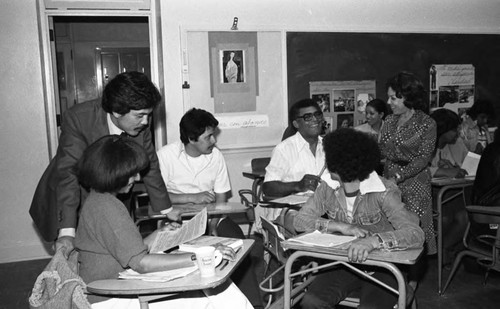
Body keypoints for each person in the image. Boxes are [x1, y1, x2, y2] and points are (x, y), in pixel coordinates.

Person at [75, 135, 252, 309]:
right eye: (131, 173)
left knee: (215, 289)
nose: (137, 178)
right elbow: (142, 263)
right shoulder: (107, 207)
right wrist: (200, 256)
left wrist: (158, 234)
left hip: (114, 288)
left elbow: (126, 251)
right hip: (112, 297)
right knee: (213, 293)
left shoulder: (98, 200)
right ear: (113, 172)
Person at [30, 71, 179, 255]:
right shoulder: (79, 118)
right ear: (116, 111)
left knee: (115, 258)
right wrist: (67, 232)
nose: (146, 122)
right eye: (140, 115)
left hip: (112, 196)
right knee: (74, 262)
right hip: (70, 196)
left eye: (148, 115)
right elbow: (68, 174)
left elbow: (151, 167)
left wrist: (167, 208)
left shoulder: (139, 125)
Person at [294, 129, 425, 309]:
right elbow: (300, 221)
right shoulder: (328, 187)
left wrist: (373, 241)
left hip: (383, 267)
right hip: (344, 264)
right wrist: (339, 226)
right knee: (311, 302)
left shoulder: (383, 191)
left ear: (336, 165)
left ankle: (401, 290)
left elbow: (415, 234)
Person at [156, 108, 263, 308]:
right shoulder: (165, 155)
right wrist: (192, 197)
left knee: (237, 243)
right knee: (177, 255)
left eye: (213, 134)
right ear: (191, 138)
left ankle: (253, 304)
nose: (214, 141)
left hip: (212, 218)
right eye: (208, 136)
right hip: (176, 223)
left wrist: (213, 225)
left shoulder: (216, 156)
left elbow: (221, 198)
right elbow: (157, 196)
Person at [379, 71, 437, 255]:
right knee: (390, 227)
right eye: (388, 98)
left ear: (409, 97)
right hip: (389, 180)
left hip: (415, 183)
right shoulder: (388, 120)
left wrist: (399, 176)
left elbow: (423, 158)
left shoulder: (427, 123)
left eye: (394, 98)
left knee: (414, 230)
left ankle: (413, 279)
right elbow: (383, 150)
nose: (389, 103)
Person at [260, 99, 326, 231]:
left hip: (326, 209)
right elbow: (268, 187)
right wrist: (298, 185)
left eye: (318, 115)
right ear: (296, 123)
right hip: (293, 212)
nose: (315, 120)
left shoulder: (330, 146)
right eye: (308, 117)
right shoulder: (284, 149)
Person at [429, 108, 469, 264]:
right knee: (444, 219)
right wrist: (442, 171)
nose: (457, 133)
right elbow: (416, 169)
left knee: (464, 218)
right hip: (431, 193)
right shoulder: (424, 145)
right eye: (454, 130)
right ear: (443, 130)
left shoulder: (456, 144)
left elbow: (464, 166)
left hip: (453, 192)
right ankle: (439, 251)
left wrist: (452, 167)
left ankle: (444, 247)